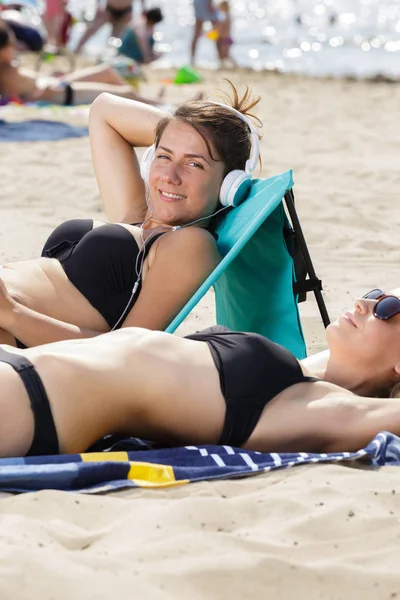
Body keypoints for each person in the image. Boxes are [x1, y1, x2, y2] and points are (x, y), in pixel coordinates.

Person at [0, 80, 260, 351]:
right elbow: (104, 110)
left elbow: (126, 352)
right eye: (164, 156)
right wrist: (180, 127)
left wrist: (11, 314)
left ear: (230, 184)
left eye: (194, 164)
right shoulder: (137, 214)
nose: (170, 177)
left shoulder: (190, 245)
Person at [0, 286, 399, 457]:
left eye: (388, 307)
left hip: (33, 400)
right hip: (23, 370)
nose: (365, 303)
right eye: (373, 293)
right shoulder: (303, 370)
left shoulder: (326, 409)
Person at [0, 24, 163, 105]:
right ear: (4, 49)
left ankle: (148, 101)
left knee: (107, 72)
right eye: (12, 45)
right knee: (123, 93)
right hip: (59, 92)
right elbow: (19, 97)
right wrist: (41, 94)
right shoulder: (7, 70)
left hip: (56, 84)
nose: (15, 49)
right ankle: (156, 104)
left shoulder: (7, 68)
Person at [75, 0, 144, 54]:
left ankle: (111, 55)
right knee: (91, 30)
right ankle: (76, 49)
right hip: (109, 9)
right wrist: (98, 6)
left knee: (116, 38)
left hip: (125, 11)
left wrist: (142, 11)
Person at [191, 0, 221, 65]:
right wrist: (209, 3)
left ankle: (192, 59)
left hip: (198, 3)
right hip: (204, 3)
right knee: (216, 32)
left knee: (196, 34)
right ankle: (220, 59)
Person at [216, 1, 235, 66]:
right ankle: (223, 65)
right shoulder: (225, 16)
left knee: (225, 54)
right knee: (224, 54)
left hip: (226, 38)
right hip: (225, 38)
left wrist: (217, 30)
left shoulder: (226, 16)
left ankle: (233, 64)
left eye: (220, 7)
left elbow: (222, 27)